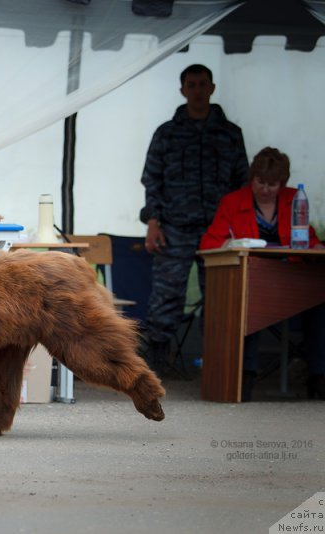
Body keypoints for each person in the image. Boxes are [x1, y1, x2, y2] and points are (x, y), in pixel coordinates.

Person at [139, 63, 248, 371]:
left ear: (212, 88)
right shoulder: (167, 133)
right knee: (166, 296)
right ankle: (157, 361)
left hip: (219, 232)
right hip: (174, 228)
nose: (198, 90)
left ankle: (217, 362)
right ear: (182, 90)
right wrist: (153, 224)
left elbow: (242, 184)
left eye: (203, 84)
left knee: (220, 297)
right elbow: (152, 180)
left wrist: (238, 230)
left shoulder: (230, 134)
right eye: (192, 85)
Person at [199, 147, 324, 401]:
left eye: (272, 184)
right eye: (260, 182)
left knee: (320, 302)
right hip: (251, 280)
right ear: (251, 178)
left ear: (283, 183)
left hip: (291, 278)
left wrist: (317, 245)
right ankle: (245, 376)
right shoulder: (233, 202)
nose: (265, 189)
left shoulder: (294, 200)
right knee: (248, 302)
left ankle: (319, 376)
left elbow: (308, 240)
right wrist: (225, 245)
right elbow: (207, 244)